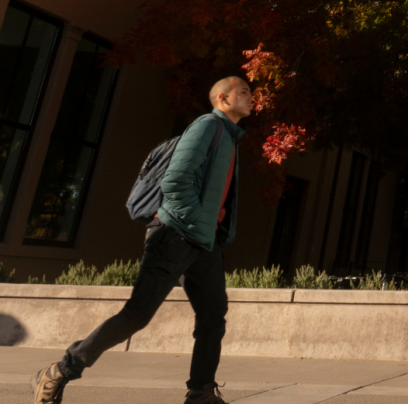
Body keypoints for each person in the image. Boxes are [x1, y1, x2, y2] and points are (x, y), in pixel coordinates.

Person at [31, 77, 251, 404]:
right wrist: (190, 221)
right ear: (223, 98)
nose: (252, 97)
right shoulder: (207, 127)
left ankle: (200, 392)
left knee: (213, 316)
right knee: (137, 314)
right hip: (175, 235)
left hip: (205, 243)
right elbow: (176, 180)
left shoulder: (230, 138)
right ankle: (61, 370)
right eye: (244, 92)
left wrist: (212, 233)